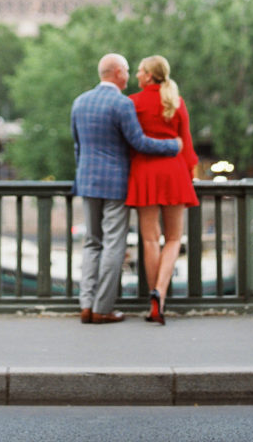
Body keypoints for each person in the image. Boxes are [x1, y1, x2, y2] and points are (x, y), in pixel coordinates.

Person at [71, 53, 183, 325]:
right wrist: (173, 146)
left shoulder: (80, 102)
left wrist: (83, 173)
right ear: (118, 72)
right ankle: (102, 308)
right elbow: (139, 143)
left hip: (87, 181)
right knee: (113, 245)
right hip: (115, 183)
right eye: (127, 71)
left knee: (91, 243)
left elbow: (77, 146)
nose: (129, 75)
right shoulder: (121, 104)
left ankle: (86, 305)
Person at [125, 54, 198, 325]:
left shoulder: (133, 102)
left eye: (140, 71)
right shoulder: (175, 102)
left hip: (145, 172)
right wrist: (189, 175)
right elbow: (187, 146)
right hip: (174, 172)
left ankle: (151, 298)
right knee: (174, 239)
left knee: (149, 239)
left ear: (149, 75)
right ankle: (161, 294)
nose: (137, 75)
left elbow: (130, 141)